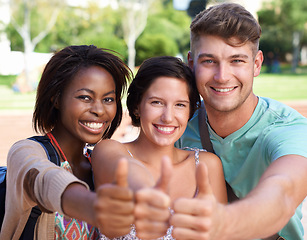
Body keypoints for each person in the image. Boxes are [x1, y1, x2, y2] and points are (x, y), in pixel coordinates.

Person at [174, 3, 307, 240]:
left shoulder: (287, 128)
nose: (222, 76)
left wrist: (224, 222)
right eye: (209, 61)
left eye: (236, 61)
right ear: (191, 63)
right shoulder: (177, 125)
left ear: (256, 64)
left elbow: (284, 190)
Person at [0, 45, 134, 239]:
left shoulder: (98, 163)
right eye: (85, 97)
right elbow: (44, 180)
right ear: (56, 98)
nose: (99, 110)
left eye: (108, 99)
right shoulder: (27, 151)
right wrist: (91, 206)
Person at [91, 56, 227, 239]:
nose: (168, 117)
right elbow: (128, 172)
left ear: (190, 112)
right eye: (157, 102)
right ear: (138, 106)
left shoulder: (207, 166)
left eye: (180, 105)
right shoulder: (109, 150)